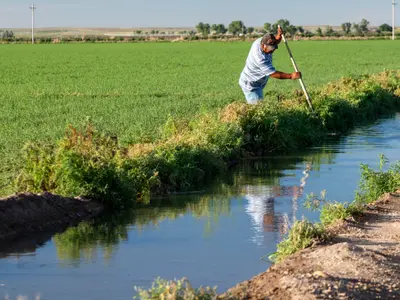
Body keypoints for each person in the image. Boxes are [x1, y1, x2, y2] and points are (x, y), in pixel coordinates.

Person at [239, 27, 301, 104]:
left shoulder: (262, 41)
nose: (272, 50)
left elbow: (274, 41)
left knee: (259, 107)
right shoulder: (260, 57)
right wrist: (291, 76)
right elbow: (272, 73)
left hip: (257, 82)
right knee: (258, 109)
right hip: (251, 85)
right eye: (270, 48)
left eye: (273, 48)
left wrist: (279, 36)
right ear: (263, 45)